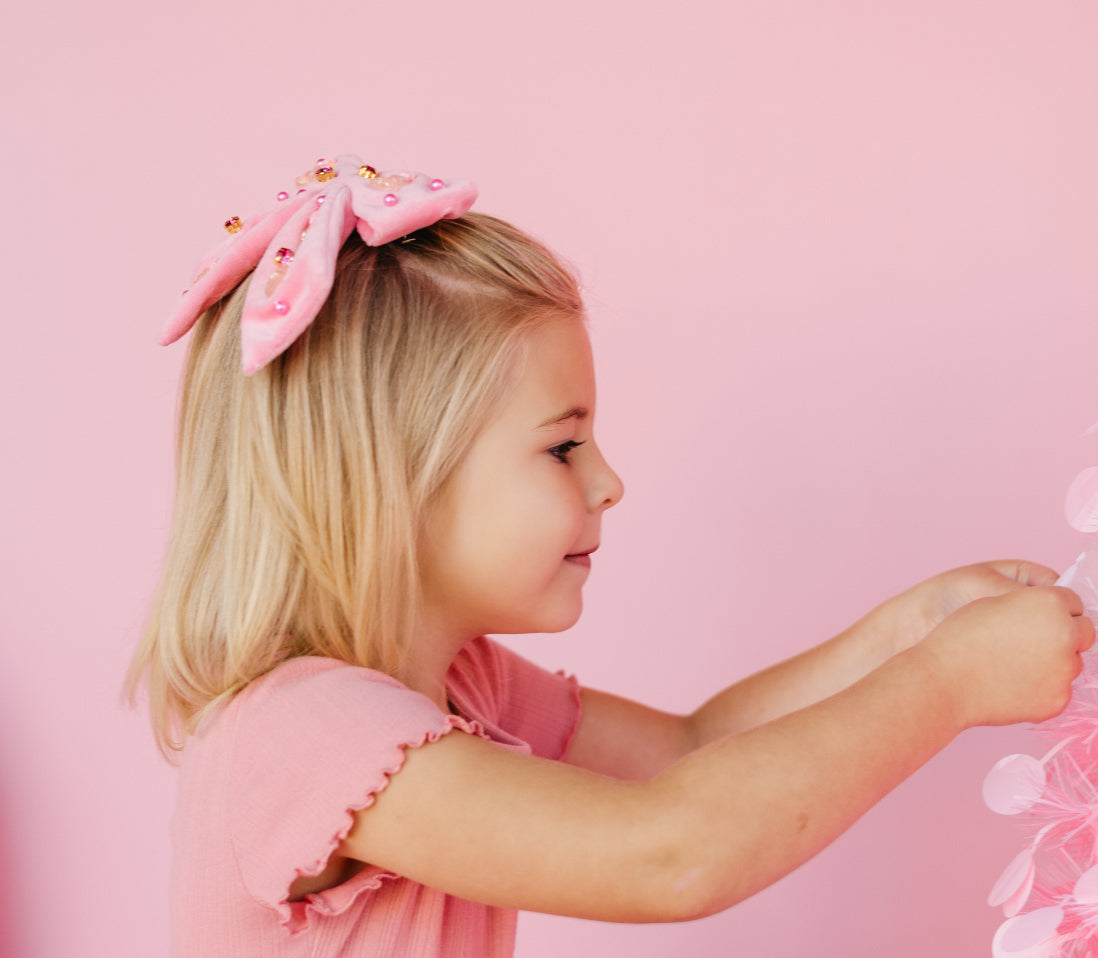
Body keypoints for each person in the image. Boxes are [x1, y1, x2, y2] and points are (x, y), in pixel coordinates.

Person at [128, 153, 1094, 957]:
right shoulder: (304, 733)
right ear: (388, 483)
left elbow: (689, 750)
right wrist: (949, 683)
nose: (608, 482)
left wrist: (915, 628)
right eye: (561, 447)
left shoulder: (460, 686)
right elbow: (668, 853)